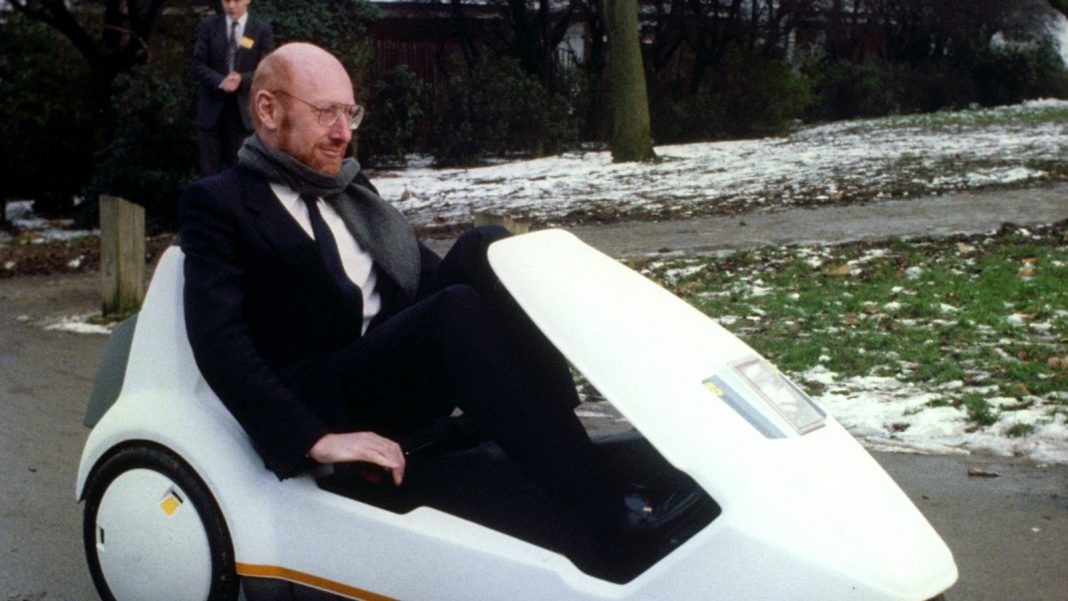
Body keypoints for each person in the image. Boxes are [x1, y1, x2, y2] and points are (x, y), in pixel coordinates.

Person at [179, 42, 707, 577]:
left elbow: (416, 274)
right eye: (326, 114)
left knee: (489, 247)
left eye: (349, 113)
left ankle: (572, 429)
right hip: (326, 393)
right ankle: (604, 507)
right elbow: (218, 340)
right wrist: (315, 439)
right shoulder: (219, 205)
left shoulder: (345, 185)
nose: (344, 133)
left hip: (389, 366)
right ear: (268, 110)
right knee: (453, 311)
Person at [192, 0, 274, 176]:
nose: (231, 6)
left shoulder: (261, 30)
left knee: (240, 172)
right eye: (226, 0)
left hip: (243, 115)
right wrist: (221, 82)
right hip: (212, 113)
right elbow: (198, 64)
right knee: (209, 173)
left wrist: (242, 80)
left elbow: (266, 70)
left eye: (236, 0)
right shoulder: (208, 26)